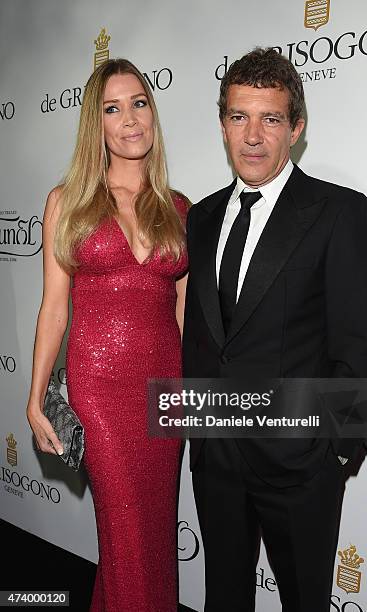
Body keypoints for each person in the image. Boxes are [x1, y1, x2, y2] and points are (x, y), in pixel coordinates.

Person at [183, 48, 367, 612]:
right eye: (238, 116)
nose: (252, 136)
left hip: (300, 465)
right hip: (216, 457)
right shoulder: (200, 218)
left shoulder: (339, 213)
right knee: (223, 597)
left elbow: (360, 343)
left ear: (295, 128)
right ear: (222, 123)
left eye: (270, 119)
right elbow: (205, 337)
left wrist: (337, 454)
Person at [27, 58, 189, 612]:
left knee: (155, 537)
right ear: (95, 125)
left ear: (153, 113)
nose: (129, 120)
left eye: (139, 103)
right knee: (124, 537)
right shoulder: (66, 202)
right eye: (112, 109)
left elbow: (183, 314)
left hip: (166, 393)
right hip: (100, 394)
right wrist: (36, 397)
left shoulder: (180, 210)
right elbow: (53, 309)